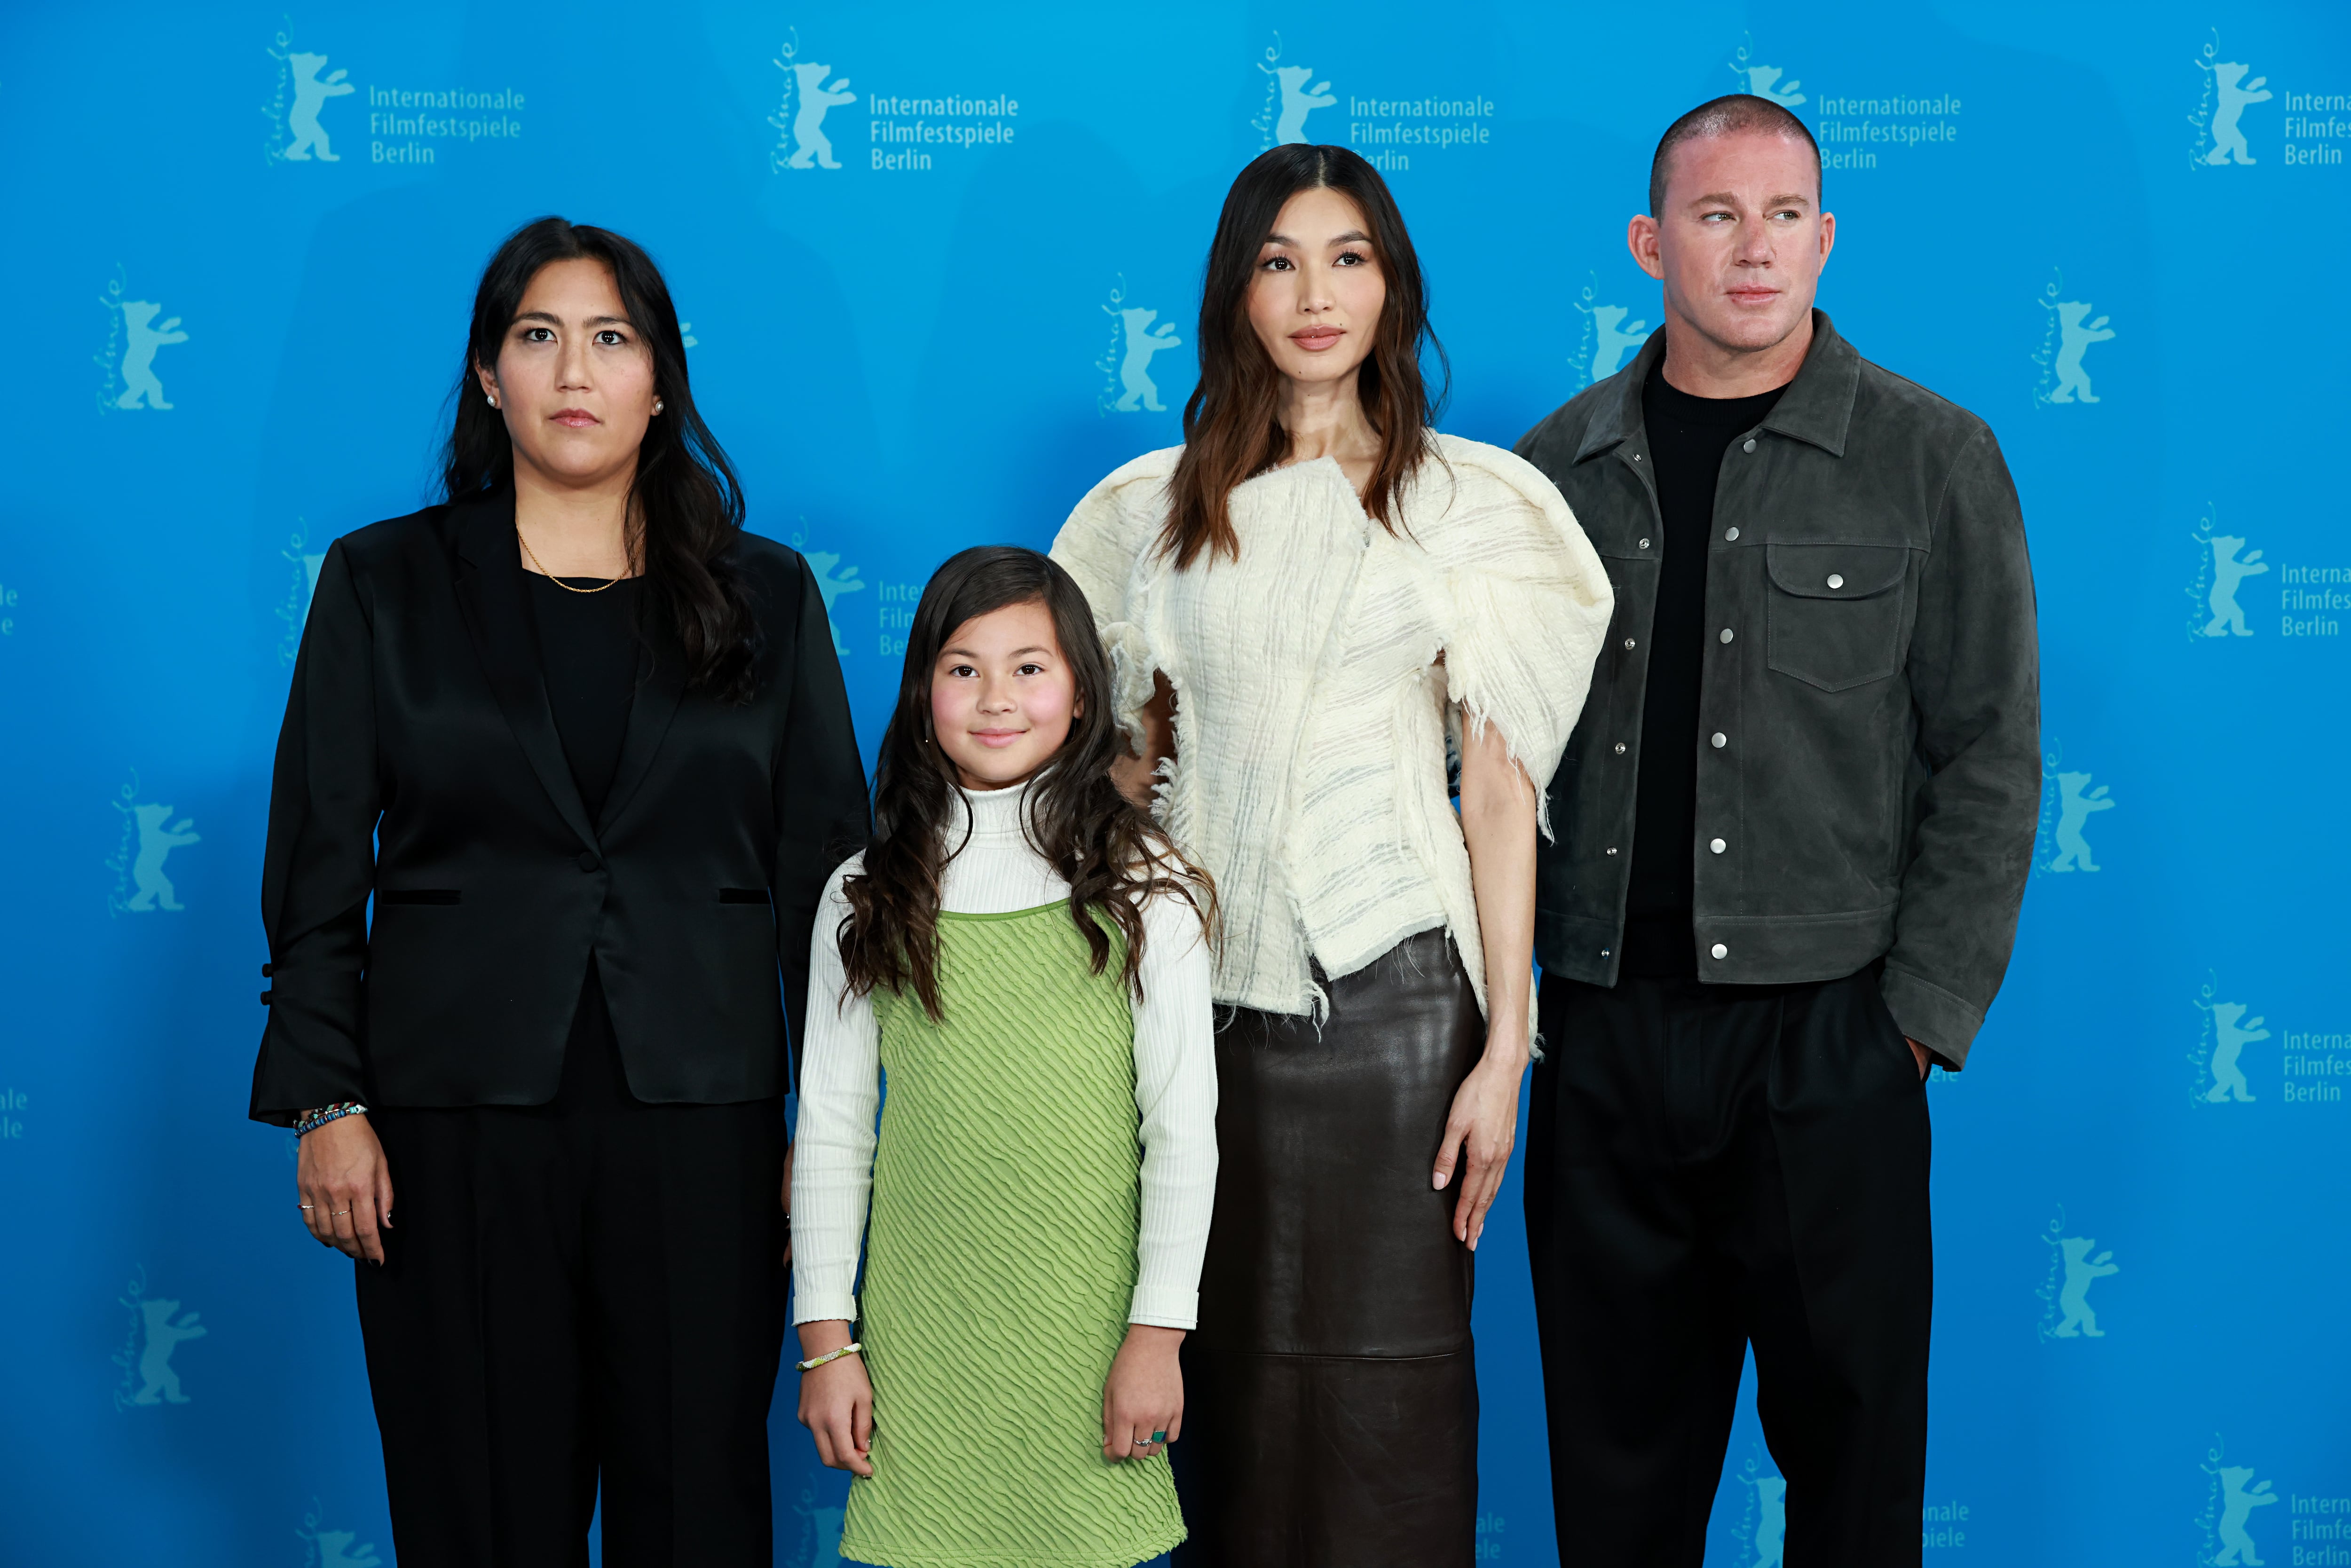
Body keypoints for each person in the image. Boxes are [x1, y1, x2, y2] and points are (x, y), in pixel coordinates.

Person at [249, 216, 869, 1567]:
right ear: (487, 376)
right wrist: (328, 1100)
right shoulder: (383, 582)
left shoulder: (767, 595)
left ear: (661, 380)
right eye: (538, 337)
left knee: (696, 1510)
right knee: (477, 1510)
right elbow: (313, 861)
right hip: (448, 1125)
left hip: (704, 1124)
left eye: (612, 338)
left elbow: (831, 883)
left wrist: (829, 1134)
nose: (574, 371)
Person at [1051, 145, 1614, 1565]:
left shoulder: (1472, 504)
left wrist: (1505, 1050)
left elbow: (1500, 797)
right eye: (1280, 259)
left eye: (1350, 257)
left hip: (1406, 1012)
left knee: (1393, 1397)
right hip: (1192, 1012)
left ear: (1392, 285)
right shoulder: (1149, 510)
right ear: (1238, 290)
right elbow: (1119, 772)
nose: (1317, 293)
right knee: (1218, 1378)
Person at [1513, 95, 2040, 1562]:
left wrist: (1914, 1025)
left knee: (1858, 1482)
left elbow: (1990, 752)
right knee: (1615, 1492)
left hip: (1832, 1047)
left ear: (1826, 236)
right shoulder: (1551, 473)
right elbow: (1491, 763)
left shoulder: (1935, 456)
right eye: (1716, 216)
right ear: (1649, 241)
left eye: (1786, 215)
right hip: (1606, 1038)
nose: (1756, 250)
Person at [790, 546, 1218, 1568]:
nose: (996, 698)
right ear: (922, 691)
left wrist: (1158, 1334)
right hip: (922, 1329)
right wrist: (827, 1343)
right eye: (962, 666)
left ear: (1079, 695)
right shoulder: (866, 893)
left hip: (1089, 1330)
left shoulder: (1144, 884)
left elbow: (1182, 1131)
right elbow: (833, 1133)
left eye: (1030, 667)